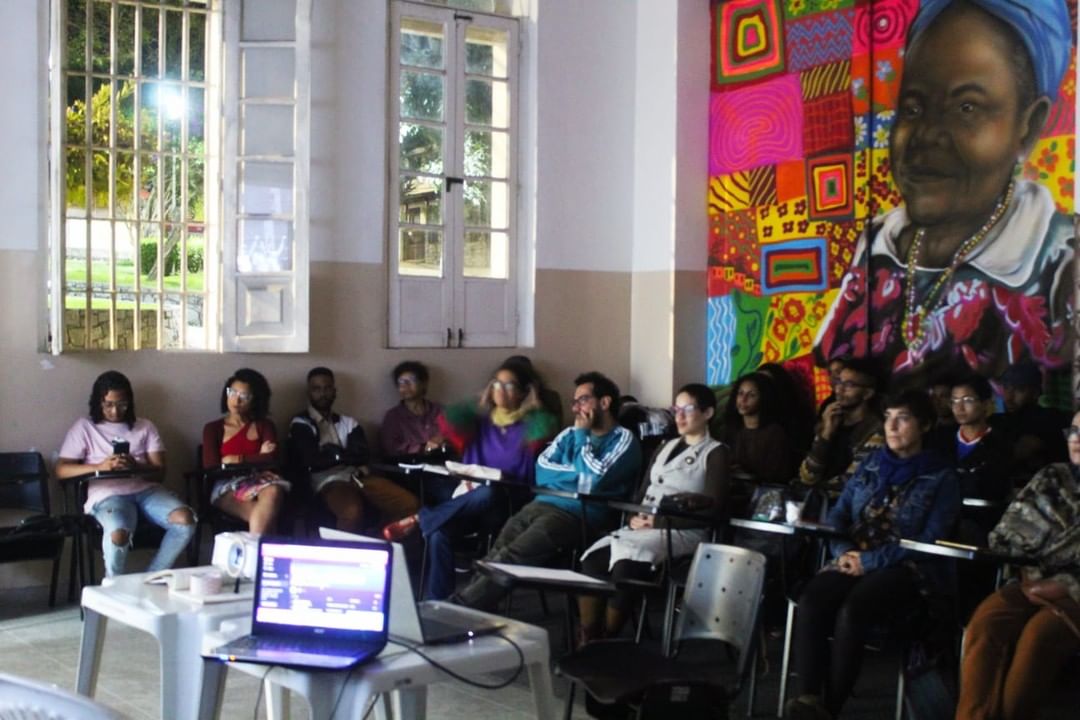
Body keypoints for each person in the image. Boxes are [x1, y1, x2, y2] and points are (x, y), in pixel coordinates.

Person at [814, 0, 1074, 390]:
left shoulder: (1058, 262)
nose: (925, 136)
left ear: (1030, 124)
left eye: (966, 107)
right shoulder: (880, 242)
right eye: (912, 109)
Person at [784, 391, 960, 720]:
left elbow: (927, 540)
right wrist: (844, 552)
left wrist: (869, 562)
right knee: (813, 599)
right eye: (888, 418)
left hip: (908, 566)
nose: (891, 427)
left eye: (902, 418)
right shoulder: (872, 464)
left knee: (854, 608)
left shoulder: (941, 476)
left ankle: (830, 708)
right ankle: (808, 699)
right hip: (855, 554)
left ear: (924, 425)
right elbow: (838, 516)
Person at [451, 372, 642, 611]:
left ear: (604, 403)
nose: (576, 408)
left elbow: (594, 480)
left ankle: (461, 608)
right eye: (574, 402)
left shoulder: (623, 440)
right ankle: (476, 608)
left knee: (514, 555)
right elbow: (542, 469)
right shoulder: (569, 434)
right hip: (542, 503)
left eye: (583, 400)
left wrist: (582, 439)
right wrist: (576, 475)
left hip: (579, 514)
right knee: (496, 553)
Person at [382, 360, 558, 600]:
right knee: (439, 532)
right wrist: (478, 401)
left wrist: (534, 404)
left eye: (509, 385)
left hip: (507, 502)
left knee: (489, 491)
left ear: (522, 392)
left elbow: (547, 427)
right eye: (496, 384)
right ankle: (438, 602)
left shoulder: (529, 427)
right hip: (469, 501)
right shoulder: (479, 424)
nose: (501, 390)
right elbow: (448, 421)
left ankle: (421, 518)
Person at [577, 383, 729, 644]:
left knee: (626, 567)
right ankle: (589, 637)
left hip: (683, 530)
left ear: (707, 413)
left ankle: (608, 638)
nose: (679, 416)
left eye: (688, 409)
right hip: (643, 528)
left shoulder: (715, 452)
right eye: (676, 409)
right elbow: (641, 494)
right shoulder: (664, 446)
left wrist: (658, 521)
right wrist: (632, 517)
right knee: (592, 561)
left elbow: (714, 509)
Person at [956, 412, 1080, 720]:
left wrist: (1066, 583)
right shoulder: (1052, 477)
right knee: (986, 622)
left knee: (1038, 637)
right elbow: (1006, 533)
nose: (1076, 440)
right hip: (1031, 578)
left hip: (1075, 593)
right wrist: (1033, 574)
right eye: (1074, 431)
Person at [56, 371, 194, 577]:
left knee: (185, 520)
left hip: (146, 491)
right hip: (108, 494)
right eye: (108, 405)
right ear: (98, 402)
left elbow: (160, 473)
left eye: (122, 404)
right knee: (118, 533)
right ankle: (114, 584)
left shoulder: (145, 426)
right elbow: (61, 470)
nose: (115, 411)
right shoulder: (85, 427)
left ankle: (153, 576)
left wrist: (136, 465)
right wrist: (100, 467)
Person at [288, 367, 419, 532]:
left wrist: (334, 454)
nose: (323, 393)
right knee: (351, 512)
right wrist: (344, 456)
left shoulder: (348, 422)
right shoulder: (301, 423)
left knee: (409, 503)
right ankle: (344, 549)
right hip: (327, 481)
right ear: (309, 392)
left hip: (358, 476)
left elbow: (363, 455)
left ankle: (382, 541)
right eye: (317, 389)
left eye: (327, 388)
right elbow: (312, 460)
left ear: (334, 391)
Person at [201, 368, 288, 534]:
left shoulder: (265, 425)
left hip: (261, 480)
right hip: (227, 485)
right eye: (232, 392)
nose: (236, 400)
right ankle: (261, 549)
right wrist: (258, 456)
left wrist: (236, 459)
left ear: (255, 400)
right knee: (264, 517)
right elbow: (211, 466)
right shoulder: (213, 428)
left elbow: (271, 458)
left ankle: (255, 548)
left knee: (273, 491)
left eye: (244, 396)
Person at [797, 358, 883, 494]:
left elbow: (851, 482)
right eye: (838, 382)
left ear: (867, 394)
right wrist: (826, 435)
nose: (839, 389)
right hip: (817, 499)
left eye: (849, 385)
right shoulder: (830, 420)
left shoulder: (875, 430)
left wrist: (815, 490)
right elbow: (807, 477)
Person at [991, 361, 1069, 479]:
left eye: (1019, 390)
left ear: (1035, 393)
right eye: (1006, 388)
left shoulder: (1050, 418)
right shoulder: (997, 417)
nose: (1009, 397)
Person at [722, 372, 793, 486]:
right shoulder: (733, 429)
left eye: (751, 395)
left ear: (764, 398)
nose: (743, 399)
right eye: (740, 393)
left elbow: (776, 477)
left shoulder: (774, 433)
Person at [378, 361, 446, 461]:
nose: (405, 385)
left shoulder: (439, 411)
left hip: (441, 462)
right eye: (401, 381)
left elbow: (452, 436)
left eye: (411, 380)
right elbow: (391, 448)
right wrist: (422, 448)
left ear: (423, 384)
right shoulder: (393, 416)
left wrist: (441, 441)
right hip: (409, 465)